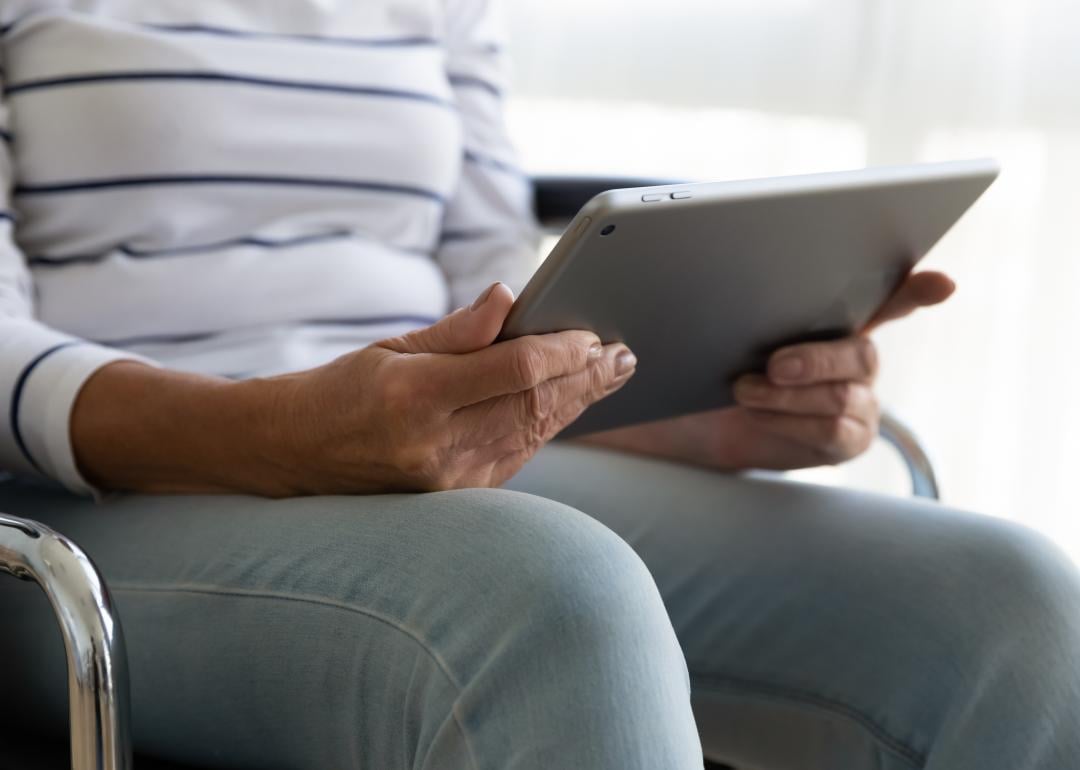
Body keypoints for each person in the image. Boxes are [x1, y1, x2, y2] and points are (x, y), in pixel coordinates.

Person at [1, 2, 1078, 769]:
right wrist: (280, 430)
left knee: (1008, 603)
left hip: (412, 459)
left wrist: (695, 414)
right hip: (106, 485)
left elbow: (483, 306)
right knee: (552, 597)